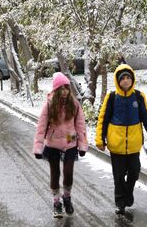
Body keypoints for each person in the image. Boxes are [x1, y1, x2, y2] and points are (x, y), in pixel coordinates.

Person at [95, 64, 147, 215]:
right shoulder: (111, 97)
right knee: (118, 176)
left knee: (134, 172)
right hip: (116, 145)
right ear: (118, 81)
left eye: (128, 78)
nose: (125, 80)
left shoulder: (138, 96)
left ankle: (128, 192)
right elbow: (103, 119)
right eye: (122, 78)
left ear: (132, 80)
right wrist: (100, 140)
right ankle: (120, 203)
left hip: (134, 144)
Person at [33, 72, 88, 219]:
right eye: (61, 88)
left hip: (70, 142)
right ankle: (56, 202)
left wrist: (82, 145)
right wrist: (38, 147)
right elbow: (41, 126)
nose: (64, 91)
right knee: (55, 173)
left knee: (68, 173)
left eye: (66, 88)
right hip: (52, 144)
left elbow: (80, 125)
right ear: (56, 90)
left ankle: (67, 197)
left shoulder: (74, 104)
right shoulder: (49, 104)